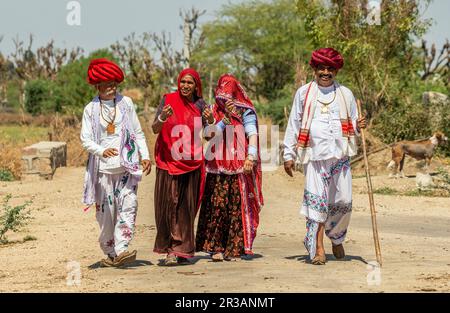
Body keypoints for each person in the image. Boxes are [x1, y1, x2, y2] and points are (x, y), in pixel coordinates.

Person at [283, 48, 367, 265]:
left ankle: (336, 237)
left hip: (340, 155)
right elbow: (294, 123)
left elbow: (355, 125)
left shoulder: (346, 94)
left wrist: (360, 126)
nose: (326, 72)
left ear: (336, 71)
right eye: (322, 68)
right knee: (317, 203)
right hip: (314, 156)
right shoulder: (303, 93)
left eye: (330, 68)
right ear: (315, 69)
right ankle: (318, 248)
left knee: (343, 201)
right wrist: (288, 154)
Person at [80, 58, 151, 267]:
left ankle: (122, 250)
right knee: (106, 214)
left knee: (129, 205)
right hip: (103, 170)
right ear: (97, 86)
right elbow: (85, 139)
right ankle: (110, 252)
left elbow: (137, 132)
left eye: (114, 83)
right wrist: (102, 151)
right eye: (107, 83)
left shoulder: (126, 103)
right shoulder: (90, 109)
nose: (112, 87)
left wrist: (145, 155)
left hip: (127, 167)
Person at [195, 73, 264, 262]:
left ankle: (234, 248)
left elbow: (252, 134)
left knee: (236, 207)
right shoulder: (212, 110)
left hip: (239, 166)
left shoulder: (245, 111)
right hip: (217, 166)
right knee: (216, 206)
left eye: (228, 96)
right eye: (221, 96)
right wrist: (223, 120)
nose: (223, 100)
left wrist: (251, 156)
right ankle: (216, 247)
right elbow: (208, 136)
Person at [152, 68, 214, 266]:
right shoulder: (167, 100)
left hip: (191, 163)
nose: (185, 86)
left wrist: (211, 121)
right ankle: (170, 250)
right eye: (183, 82)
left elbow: (209, 135)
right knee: (168, 205)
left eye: (190, 83)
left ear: (196, 86)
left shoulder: (201, 104)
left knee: (185, 209)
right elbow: (155, 128)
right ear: (178, 83)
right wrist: (162, 116)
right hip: (168, 161)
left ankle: (183, 250)